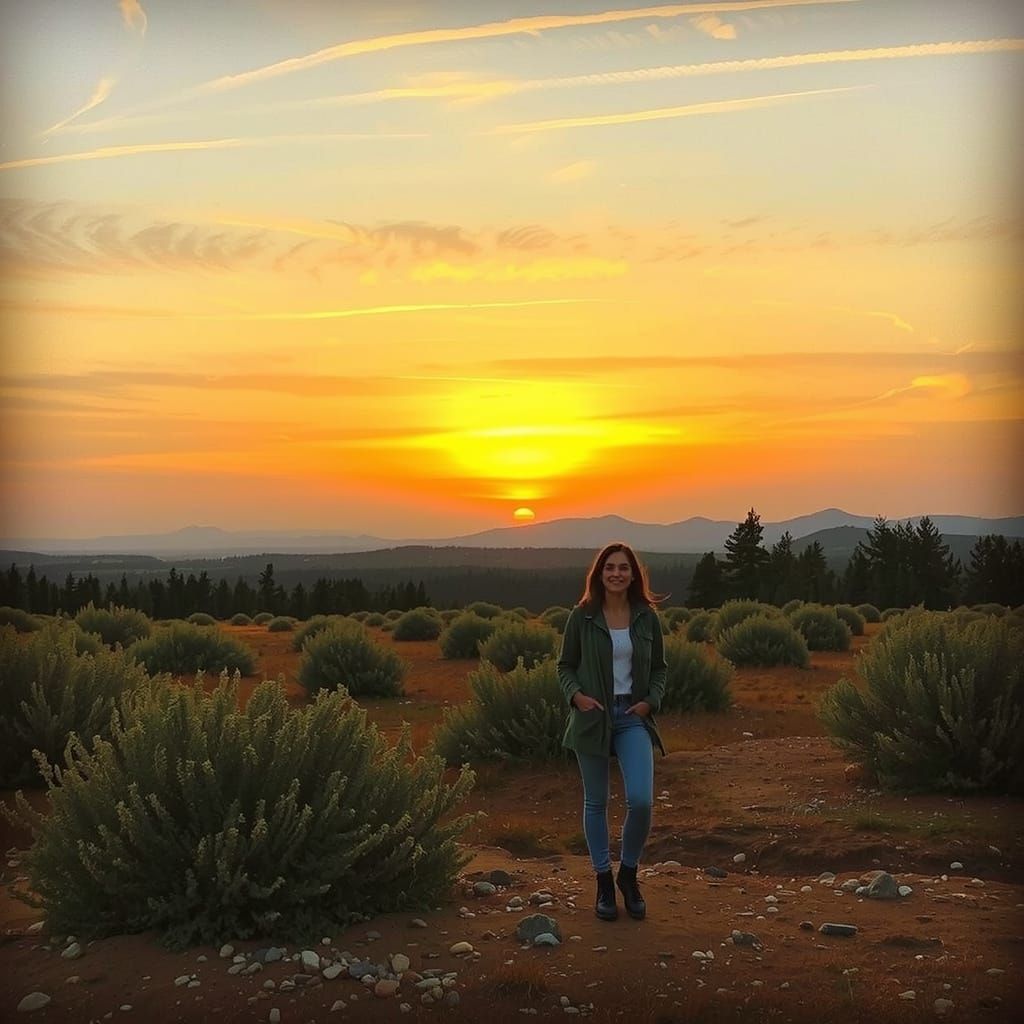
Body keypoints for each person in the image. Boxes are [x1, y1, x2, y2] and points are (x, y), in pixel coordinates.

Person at [557, 542, 667, 922]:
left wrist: (651, 701)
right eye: (609, 568)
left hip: (632, 715)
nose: (617, 574)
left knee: (641, 801)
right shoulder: (583, 616)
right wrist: (577, 697)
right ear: (599, 574)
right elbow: (564, 667)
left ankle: (629, 875)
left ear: (634, 574)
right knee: (596, 801)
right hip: (592, 715)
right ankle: (603, 880)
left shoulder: (646, 618)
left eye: (623, 568)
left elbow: (660, 669)